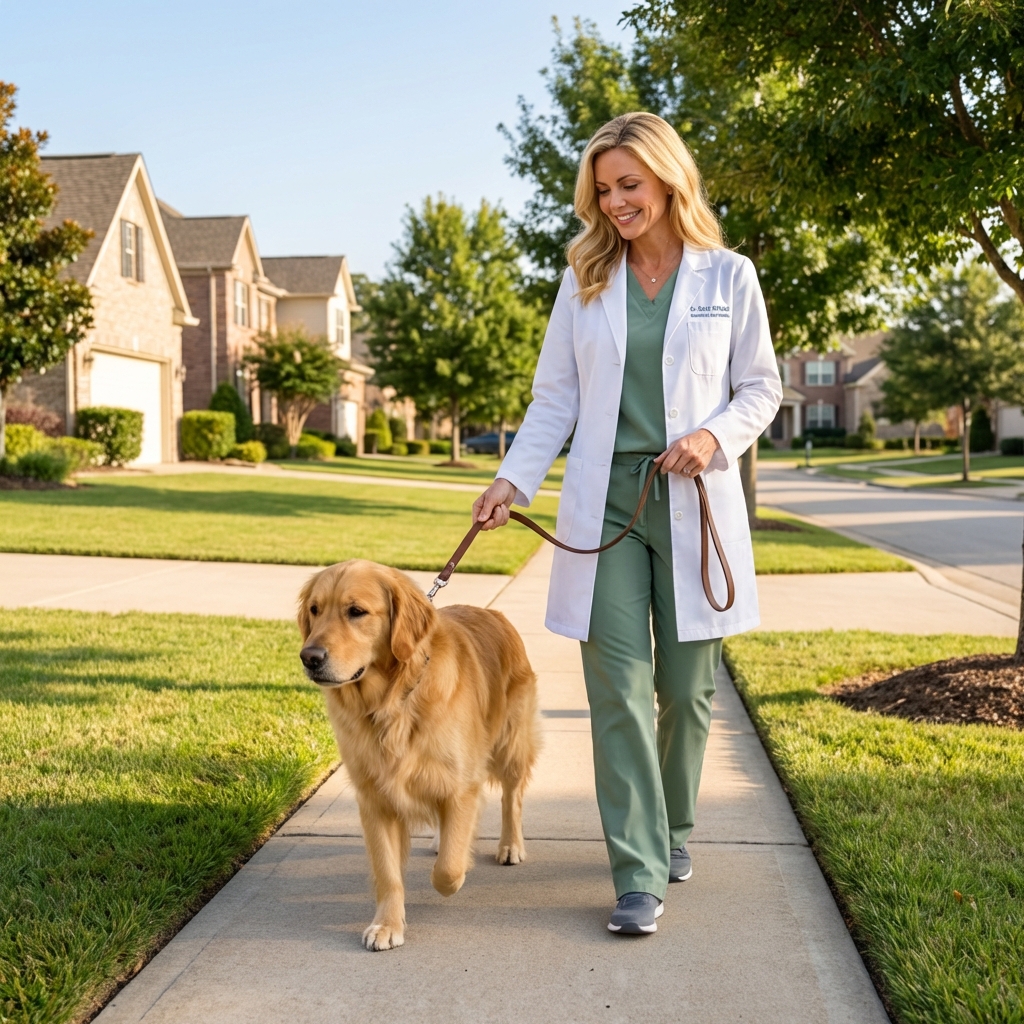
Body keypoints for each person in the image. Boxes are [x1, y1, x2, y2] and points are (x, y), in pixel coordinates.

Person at [472, 112, 782, 936]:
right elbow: (556, 400)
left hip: (692, 499)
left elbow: (761, 387)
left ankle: (674, 827)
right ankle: (638, 871)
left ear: (668, 179)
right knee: (616, 687)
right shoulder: (583, 280)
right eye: (603, 190)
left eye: (628, 186)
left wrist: (714, 436)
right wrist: (513, 480)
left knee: (686, 689)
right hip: (605, 506)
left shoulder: (728, 276)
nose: (614, 203)